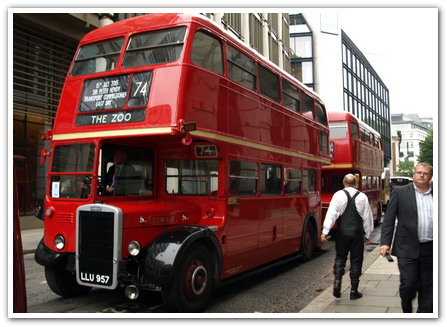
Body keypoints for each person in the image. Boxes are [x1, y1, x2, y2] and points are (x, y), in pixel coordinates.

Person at [380, 163, 433, 313]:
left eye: (426, 173)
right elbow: (389, 220)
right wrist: (385, 243)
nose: (422, 175)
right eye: (419, 172)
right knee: (408, 284)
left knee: (429, 286)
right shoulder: (400, 192)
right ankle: (407, 310)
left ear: (430, 176)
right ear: (414, 174)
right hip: (407, 247)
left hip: (432, 248)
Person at [321, 173, 374, 300]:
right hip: (357, 233)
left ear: (343, 183)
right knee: (356, 260)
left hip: (342, 233)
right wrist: (368, 234)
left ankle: (337, 284)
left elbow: (331, 213)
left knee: (340, 258)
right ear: (355, 184)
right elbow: (367, 217)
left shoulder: (338, 195)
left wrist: (325, 231)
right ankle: (354, 291)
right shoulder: (362, 197)